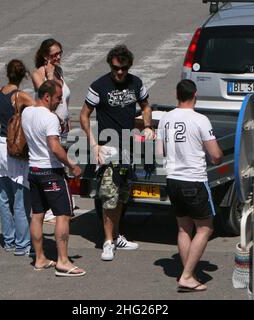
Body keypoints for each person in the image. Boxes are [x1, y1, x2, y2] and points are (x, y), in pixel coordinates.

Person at [80, 45, 155, 261]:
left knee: (122, 196)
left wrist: (148, 126)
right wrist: (93, 144)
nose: (119, 72)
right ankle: (107, 242)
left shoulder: (137, 83)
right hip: (108, 148)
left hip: (128, 149)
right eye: (115, 68)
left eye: (123, 68)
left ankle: (116, 236)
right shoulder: (99, 86)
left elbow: (146, 106)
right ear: (110, 65)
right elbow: (85, 115)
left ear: (128, 66)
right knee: (109, 198)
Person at [156, 79, 223, 292]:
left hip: (172, 178)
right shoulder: (200, 119)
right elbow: (215, 154)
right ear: (195, 94)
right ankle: (186, 276)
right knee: (205, 227)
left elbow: (159, 153)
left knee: (184, 228)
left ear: (177, 95)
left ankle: (188, 273)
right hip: (193, 180)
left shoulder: (165, 119)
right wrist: (216, 157)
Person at [22, 80, 85, 276]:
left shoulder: (27, 112)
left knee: (37, 215)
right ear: (47, 96)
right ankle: (63, 261)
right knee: (63, 215)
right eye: (58, 98)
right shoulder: (49, 118)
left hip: (33, 170)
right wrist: (72, 165)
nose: (60, 102)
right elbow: (55, 147)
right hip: (51, 172)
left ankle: (39, 258)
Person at [0, 59, 35, 256]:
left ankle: (8, 240)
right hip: (14, 149)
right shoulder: (20, 96)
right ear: (23, 75)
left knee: (4, 197)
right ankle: (22, 244)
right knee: (20, 198)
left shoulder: (1, 91)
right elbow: (39, 108)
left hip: (0, 146)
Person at [32, 38, 72, 225]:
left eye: (59, 53)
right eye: (54, 54)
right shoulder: (38, 74)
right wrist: (48, 75)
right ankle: (47, 207)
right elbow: (46, 96)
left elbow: (64, 100)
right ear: (44, 55)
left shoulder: (59, 71)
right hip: (49, 125)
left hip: (62, 124)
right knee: (51, 162)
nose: (58, 57)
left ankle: (62, 198)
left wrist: (68, 121)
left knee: (61, 163)